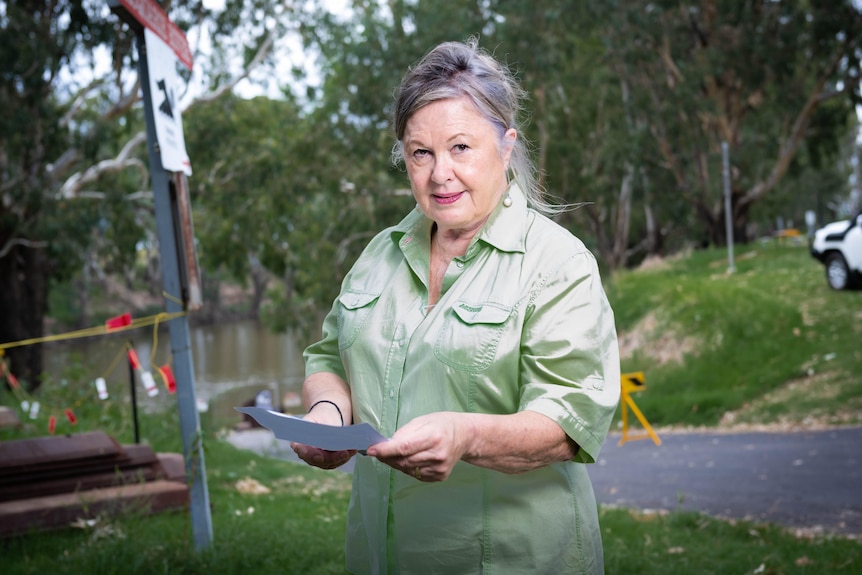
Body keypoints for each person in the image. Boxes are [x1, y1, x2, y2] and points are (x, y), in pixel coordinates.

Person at [292, 39, 621, 575]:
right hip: (382, 556)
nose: (439, 173)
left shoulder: (558, 263)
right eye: (420, 152)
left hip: (512, 560)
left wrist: (464, 434)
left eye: (461, 147)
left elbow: (567, 422)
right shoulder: (379, 253)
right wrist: (328, 414)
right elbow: (329, 358)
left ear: (506, 146)